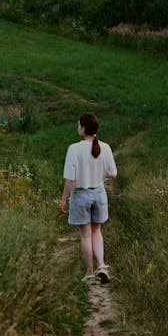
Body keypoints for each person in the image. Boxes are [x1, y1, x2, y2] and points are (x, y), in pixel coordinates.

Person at [59, 112, 117, 283]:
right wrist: (99, 176)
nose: (78, 127)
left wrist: (63, 200)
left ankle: (90, 272)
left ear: (83, 129)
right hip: (99, 193)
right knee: (97, 231)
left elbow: (70, 179)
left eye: (79, 125)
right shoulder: (105, 147)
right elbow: (113, 174)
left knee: (85, 235)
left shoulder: (74, 149)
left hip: (81, 195)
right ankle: (102, 265)